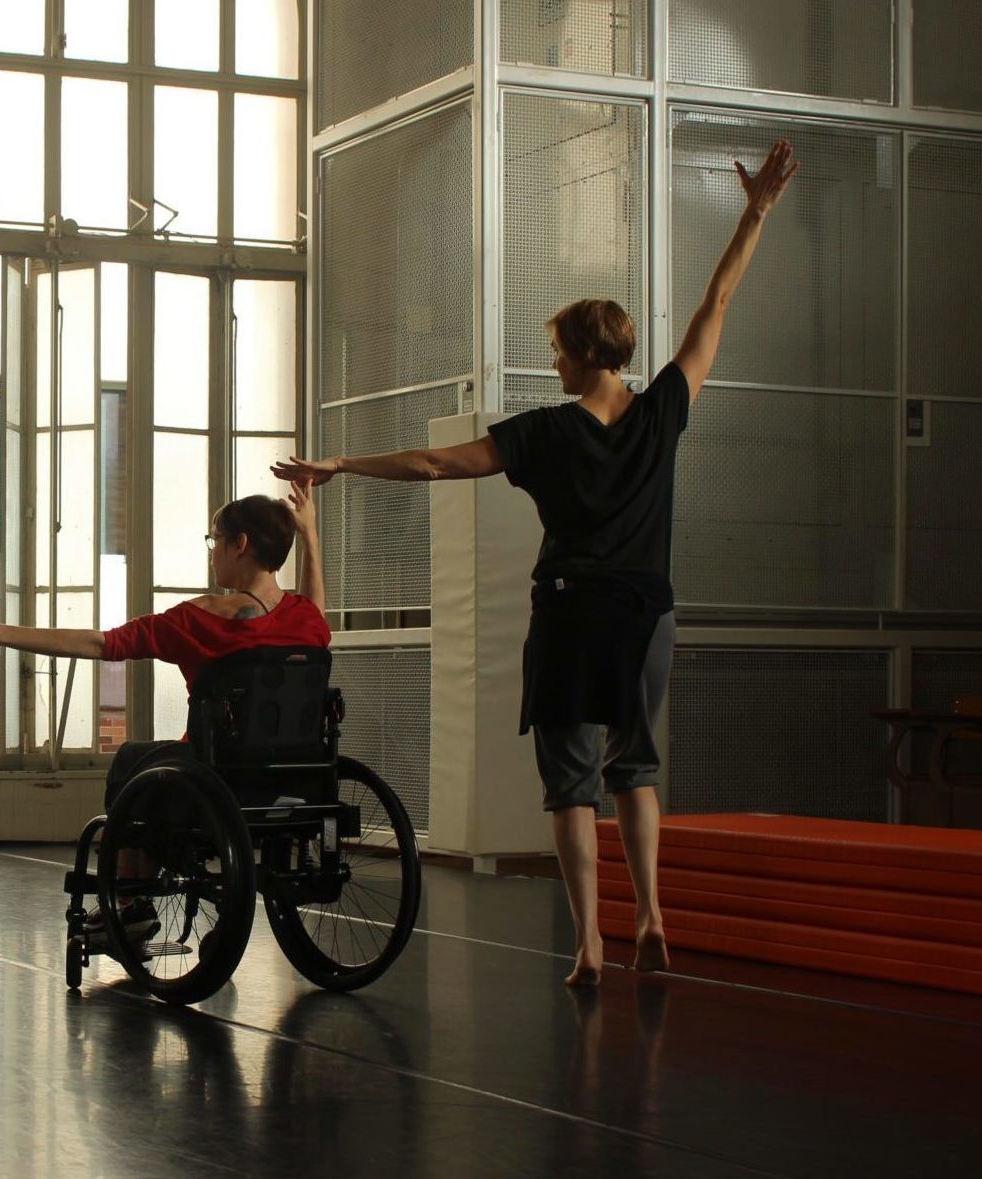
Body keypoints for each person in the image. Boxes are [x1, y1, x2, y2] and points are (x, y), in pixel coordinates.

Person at [275, 140, 802, 987]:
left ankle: (590, 938)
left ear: (585, 354)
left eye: (558, 350)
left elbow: (436, 465)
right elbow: (718, 303)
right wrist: (755, 213)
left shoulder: (545, 431)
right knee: (635, 767)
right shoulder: (663, 410)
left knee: (569, 785)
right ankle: (655, 918)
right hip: (647, 612)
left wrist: (341, 465)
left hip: (570, 612)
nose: (553, 363)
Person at [0, 481, 329, 943]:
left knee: (131, 760)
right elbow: (317, 608)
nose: (212, 550)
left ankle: (131, 901)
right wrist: (311, 535)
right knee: (152, 759)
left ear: (240, 544)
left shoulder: (199, 619)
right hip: (295, 775)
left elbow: (103, 644)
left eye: (214, 539)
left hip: (218, 774)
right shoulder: (306, 621)